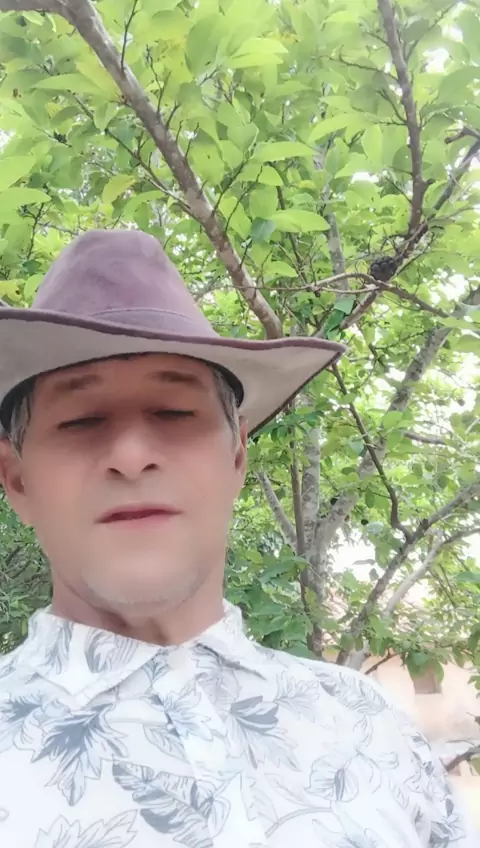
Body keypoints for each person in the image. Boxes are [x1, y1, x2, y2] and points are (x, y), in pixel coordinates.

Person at [0, 230, 472, 847]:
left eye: (174, 412)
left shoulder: (371, 725)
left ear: (238, 457)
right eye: (82, 420)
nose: (132, 455)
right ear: (17, 480)